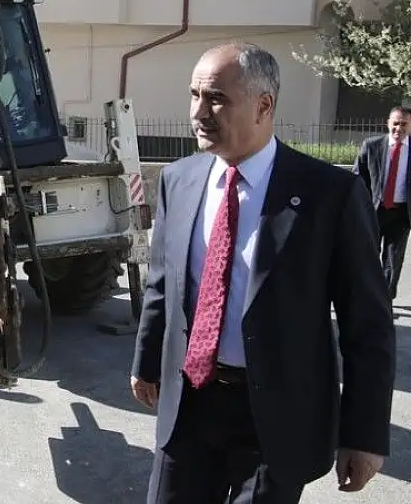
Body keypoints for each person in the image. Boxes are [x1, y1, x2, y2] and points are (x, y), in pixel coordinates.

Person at [130, 43, 396, 503]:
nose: (198, 112)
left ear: (263, 105)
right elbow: (162, 284)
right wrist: (146, 362)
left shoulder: (328, 194)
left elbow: (367, 325)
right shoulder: (180, 179)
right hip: (191, 405)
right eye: (194, 95)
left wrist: (365, 435)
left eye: (215, 98)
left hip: (276, 419)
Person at [353, 105, 411, 302]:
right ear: (388, 123)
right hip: (373, 211)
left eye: (404, 124)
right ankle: (364, 296)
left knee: (393, 260)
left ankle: (384, 301)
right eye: (395, 123)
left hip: (402, 214)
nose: (399, 128)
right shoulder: (371, 146)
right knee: (367, 256)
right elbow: (357, 179)